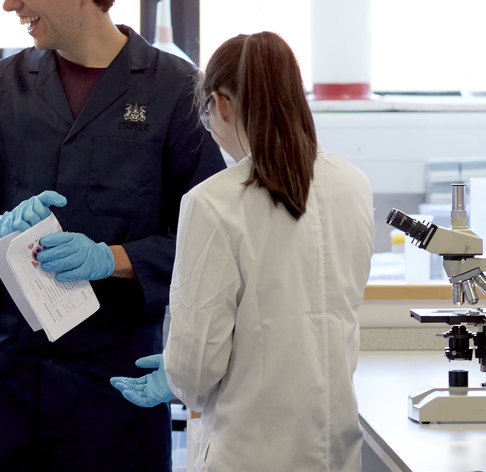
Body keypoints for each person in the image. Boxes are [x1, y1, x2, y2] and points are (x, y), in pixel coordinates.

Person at [0, 0, 226, 471]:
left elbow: (211, 241)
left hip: (110, 381)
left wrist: (110, 259)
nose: (10, 4)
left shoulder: (172, 90)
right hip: (0, 375)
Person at [109, 32, 377, 471]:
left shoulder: (213, 202)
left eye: (207, 111)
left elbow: (197, 373)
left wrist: (177, 373)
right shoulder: (353, 184)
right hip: (334, 450)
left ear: (223, 104)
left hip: (247, 452)